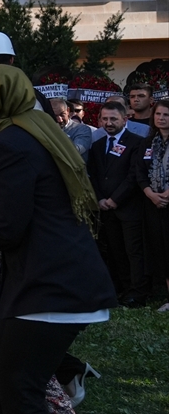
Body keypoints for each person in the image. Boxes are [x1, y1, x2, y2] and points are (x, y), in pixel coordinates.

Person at [0, 65, 113, 414]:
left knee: (19, 388)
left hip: (52, 284)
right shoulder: (29, 131)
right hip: (55, 278)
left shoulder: (8, 143)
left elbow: (6, 228)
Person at [88, 101, 147, 307]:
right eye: (104, 118)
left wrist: (115, 199)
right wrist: (100, 199)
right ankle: (119, 288)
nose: (108, 122)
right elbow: (93, 175)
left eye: (113, 118)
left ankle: (137, 293)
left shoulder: (138, 142)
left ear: (125, 119)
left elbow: (134, 175)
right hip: (105, 208)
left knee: (134, 251)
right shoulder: (96, 145)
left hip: (128, 207)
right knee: (114, 251)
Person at [132, 99, 169, 312]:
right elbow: (139, 171)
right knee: (161, 250)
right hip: (153, 203)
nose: (161, 118)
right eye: (158, 115)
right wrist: (149, 193)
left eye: (166, 115)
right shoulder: (148, 142)